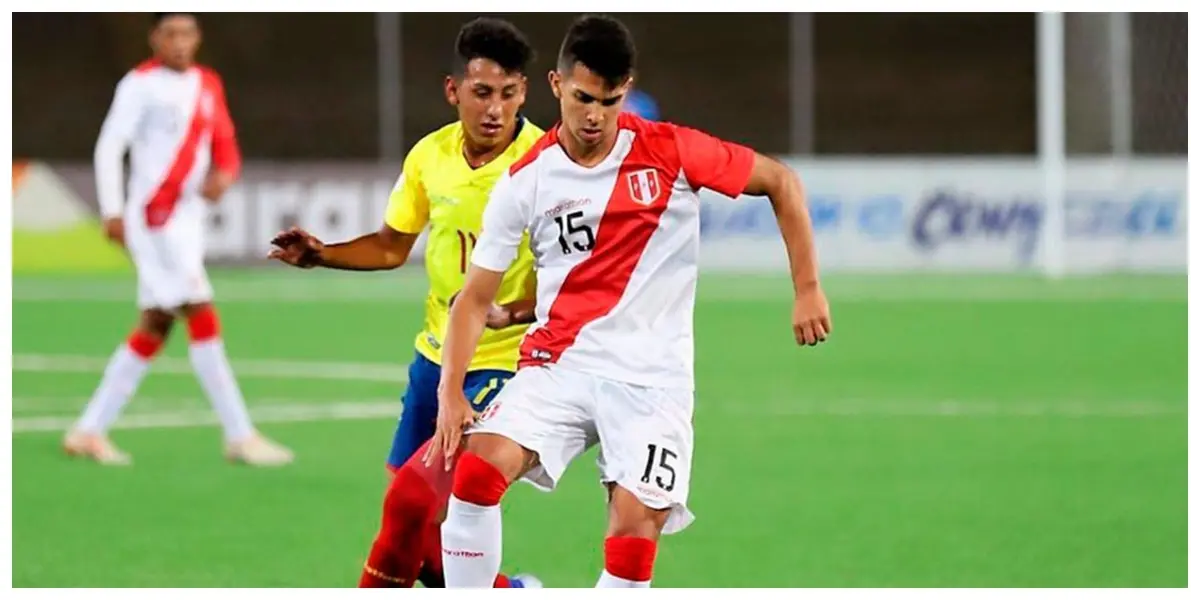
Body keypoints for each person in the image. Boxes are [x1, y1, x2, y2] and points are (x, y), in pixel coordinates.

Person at [426, 14, 832, 588]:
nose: (595, 116)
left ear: (627, 91)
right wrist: (450, 393)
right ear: (556, 86)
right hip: (560, 365)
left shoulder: (672, 151)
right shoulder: (526, 179)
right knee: (474, 476)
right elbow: (473, 299)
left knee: (632, 541)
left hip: (652, 381)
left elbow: (781, 182)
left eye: (610, 101)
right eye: (583, 98)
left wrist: (807, 288)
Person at [268, 17, 542, 589]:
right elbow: (392, 246)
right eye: (481, 92)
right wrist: (323, 255)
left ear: (524, 92)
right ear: (453, 90)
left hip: (508, 364)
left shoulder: (544, 164)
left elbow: (574, 271)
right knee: (419, 534)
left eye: (509, 93)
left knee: (412, 503)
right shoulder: (429, 156)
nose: (495, 109)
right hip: (434, 359)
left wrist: (516, 311)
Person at [66, 12, 293, 467]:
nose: (179, 42)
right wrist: (112, 210)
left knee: (156, 323)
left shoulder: (207, 83)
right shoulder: (139, 84)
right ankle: (240, 434)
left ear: (198, 37)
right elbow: (110, 146)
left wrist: (225, 174)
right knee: (200, 310)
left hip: (188, 221)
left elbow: (225, 141)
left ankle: (88, 430)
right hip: (154, 218)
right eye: (170, 33)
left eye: (187, 33)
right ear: (154, 38)